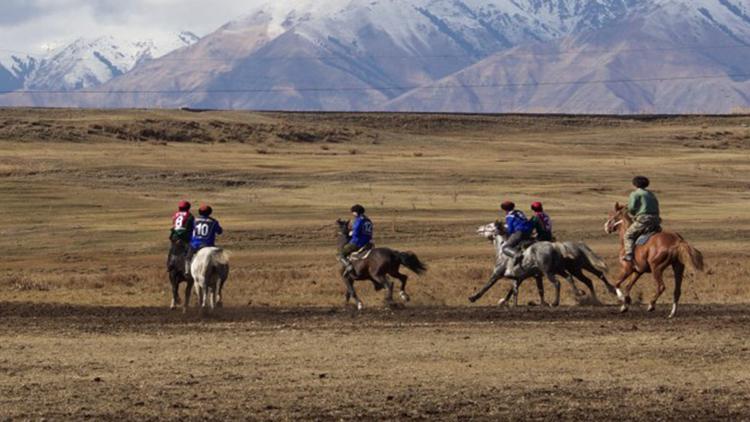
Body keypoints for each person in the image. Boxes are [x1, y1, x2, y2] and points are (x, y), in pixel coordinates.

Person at [623, 176, 661, 262]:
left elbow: (632, 208)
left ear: (634, 184)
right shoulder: (651, 194)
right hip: (655, 220)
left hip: (644, 219)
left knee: (628, 235)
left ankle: (629, 254)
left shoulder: (635, 194)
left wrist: (632, 213)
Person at [186, 204, 223, 276]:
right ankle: (219, 272)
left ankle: (187, 270)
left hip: (195, 245)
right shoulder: (213, 222)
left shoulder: (194, 220)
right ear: (210, 212)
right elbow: (219, 231)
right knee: (218, 257)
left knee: (188, 257)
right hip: (208, 245)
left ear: (199, 212)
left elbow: (189, 230)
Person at [337, 204, 373, 277]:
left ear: (356, 212)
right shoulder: (368, 220)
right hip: (368, 242)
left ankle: (349, 266)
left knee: (340, 254)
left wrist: (349, 232)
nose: (353, 214)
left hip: (357, 242)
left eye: (353, 212)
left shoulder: (359, 220)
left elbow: (356, 232)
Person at [167, 200, 194, 272]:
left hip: (175, 236)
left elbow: (174, 224)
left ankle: (170, 264)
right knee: (190, 250)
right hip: (185, 237)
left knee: (172, 250)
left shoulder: (175, 215)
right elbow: (191, 227)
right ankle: (188, 267)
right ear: (188, 207)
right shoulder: (190, 215)